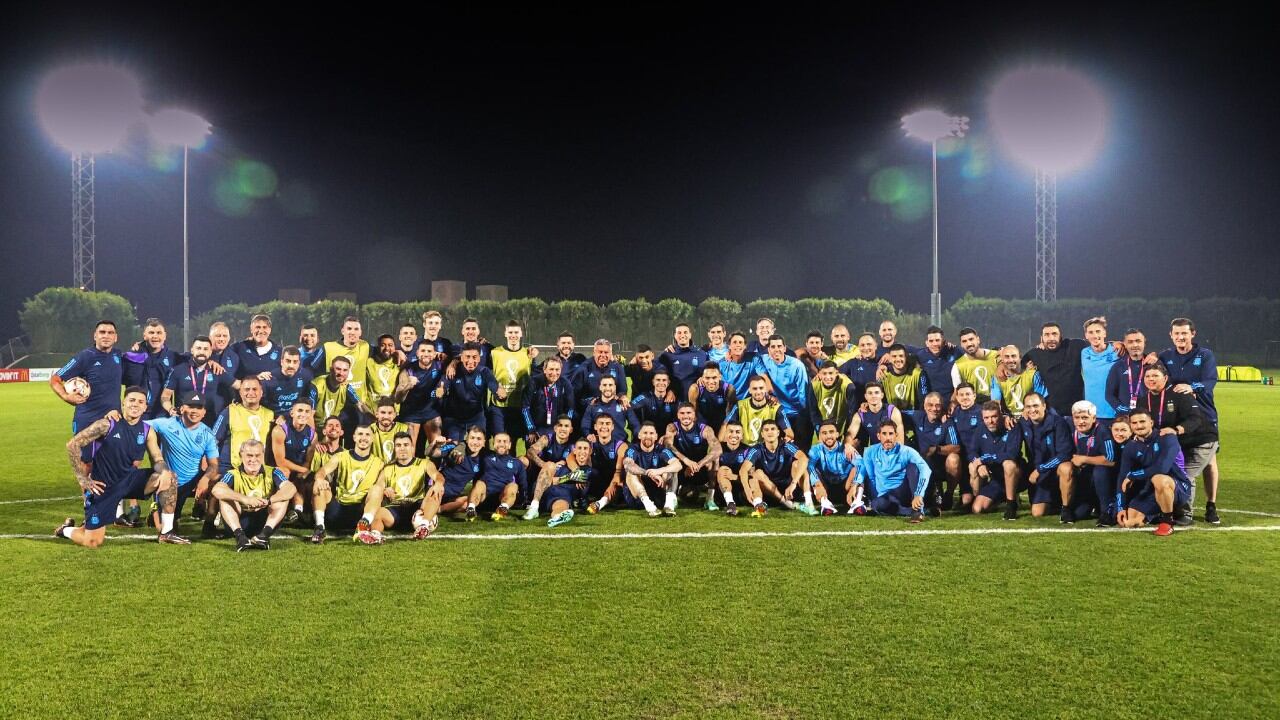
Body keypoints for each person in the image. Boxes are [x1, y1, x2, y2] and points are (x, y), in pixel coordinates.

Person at [55, 386, 180, 548]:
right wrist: (82, 478)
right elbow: (73, 445)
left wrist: (163, 471)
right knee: (92, 541)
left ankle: (166, 532)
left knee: (170, 477)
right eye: (132, 400)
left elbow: (157, 458)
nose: (135, 404)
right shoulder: (106, 424)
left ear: (145, 407)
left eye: (140, 402)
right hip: (104, 487)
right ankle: (65, 530)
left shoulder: (147, 431)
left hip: (129, 480)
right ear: (123, 403)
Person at [1134, 363, 1219, 525]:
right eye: (1147, 376)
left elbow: (1196, 419)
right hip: (1176, 445)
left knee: (1185, 474)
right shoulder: (1144, 400)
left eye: (1155, 376)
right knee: (1167, 474)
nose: (1151, 379)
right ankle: (1166, 508)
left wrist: (1177, 429)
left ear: (1165, 378)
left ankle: (1185, 513)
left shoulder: (1179, 393)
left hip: (1200, 441)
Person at [1158, 317, 1221, 524]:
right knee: (1183, 458)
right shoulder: (1165, 356)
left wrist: (1191, 388)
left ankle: (1211, 505)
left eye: (1184, 333)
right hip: (1179, 416)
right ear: (1171, 336)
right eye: (1177, 334)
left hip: (1204, 414)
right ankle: (1183, 506)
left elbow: (1210, 380)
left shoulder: (1205, 355)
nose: (1180, 337)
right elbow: (1157, 376)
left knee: (1209, 461)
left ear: (1193, 334)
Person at [148, 392, 222, 539]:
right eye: (190, 406)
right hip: (169, 483)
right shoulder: (166, 424)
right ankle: (156, 509)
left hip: (191, 483)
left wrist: (205, 479)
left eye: (199, 407)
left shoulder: (207, 434)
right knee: (168, 528)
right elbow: (139, 426)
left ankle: (209, 526)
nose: (194, 411)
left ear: (204, 412)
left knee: (218, 480)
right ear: (182, 409)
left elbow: (214, 464)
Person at [1115, 409, 1192, 536]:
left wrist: (1134, 475)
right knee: (1130, 521)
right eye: (1134, 423)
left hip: (1178, 486)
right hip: (1150, 488)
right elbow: (1122, 477)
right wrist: (1120, 507)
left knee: (1159, 478)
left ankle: (1167, 522)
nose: (1139, 426)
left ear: (1151, 422)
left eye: (1142, 421)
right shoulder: (1131, 446)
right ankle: (1156, 513)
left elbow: (1162, 469)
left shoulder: (1167, 438)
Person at [1022, 321, 1122, 417]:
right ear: (1041, 338)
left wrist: (1115, 344)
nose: (1051, 338)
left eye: (1054, 334)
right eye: (1047, 335)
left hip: (1079, 410)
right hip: (1053, 412)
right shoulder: (1036, 353)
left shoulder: (1075, 346)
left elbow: (1096, 344)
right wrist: (1006, 371)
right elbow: (1017, 366)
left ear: (1061, 336)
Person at [210, 439, 294, 551]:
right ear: (241, 455)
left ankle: (263, 536)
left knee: (283, 497)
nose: (253, 459)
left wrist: (269, 501)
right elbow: (217, 490)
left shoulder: (273, 471)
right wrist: (246, 499)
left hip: (264, 522)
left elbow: (291, 488)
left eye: (257, 455)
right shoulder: (232, 474)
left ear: (263, 455)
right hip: (240, 522)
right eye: (249, 455)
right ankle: (240, 538)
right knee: (224, 498)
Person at [309, 424, 385, 544]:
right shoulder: (341, 456)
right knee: (319, 485)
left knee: (377, 489)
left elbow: (381, 486)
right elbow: (322, 471)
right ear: (354, 437)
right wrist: (320, 479)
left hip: (361, 512)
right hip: (338, 509)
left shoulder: (379, 463)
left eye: (367, 435)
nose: (363, 438)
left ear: (372, 438)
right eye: (360, 434)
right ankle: (319, 528)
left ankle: (363, 525)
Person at [52, 322, 124, 440]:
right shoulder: (85, 356)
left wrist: (139, 347)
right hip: (87, 420)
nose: (106, 336)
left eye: (110, 333)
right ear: (95, 336)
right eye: (102, 332)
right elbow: (55, 379)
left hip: (113, 419)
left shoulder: (118, 355)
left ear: (115, 337)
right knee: (83, 458)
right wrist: (65, 396)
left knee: (114, 458)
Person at [852, 420, 932, 521]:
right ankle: (912, 511)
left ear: (896, 435)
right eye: (884, 434)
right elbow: (870, 475)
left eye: (891, 434)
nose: (888, 438)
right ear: (878, 436)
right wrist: (855, 484)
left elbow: (926, 469)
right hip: (884, 495)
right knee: (877, 504)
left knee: (913, 467)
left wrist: (918, 494)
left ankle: (918, 511)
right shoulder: (870, 451)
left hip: (903, 492)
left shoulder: (907, 451)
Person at [369, 432, 442, 541]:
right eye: (398, 445)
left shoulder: (424, 463)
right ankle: (375, 535)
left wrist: (439, 483)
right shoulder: (387, 468)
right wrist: (384, 490)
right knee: (377, 513)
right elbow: (379, 485)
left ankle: (423, 526)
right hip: (396, 509)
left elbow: (438, 475)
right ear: (394, 448)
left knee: (435, 490)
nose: (402, 448)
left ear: (412, 447)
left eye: (406, 445)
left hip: (419, 508)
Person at [1017, 393, 1075, 523]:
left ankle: (1066, 508)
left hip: (1053, 471)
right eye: (1028, 407)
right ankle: (1056, 501)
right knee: (1037, 512)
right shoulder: (1023, 423)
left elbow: (1064, 454)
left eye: (1036, 405)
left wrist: (1040, 469)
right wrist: (1006, 418)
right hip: (1040, 475)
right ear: (1024, 409)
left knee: (1066, 468)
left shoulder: (1058, 422)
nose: (1032, 410)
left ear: (1044, 406)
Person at [966, 401, 1025, 518]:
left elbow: (1011, 454)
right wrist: (979, 465)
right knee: (978, 508)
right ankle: (995, 498)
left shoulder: (1012, 426)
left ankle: (1011, 505)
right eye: (986, 418)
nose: (990, 421)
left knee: (1009, 464)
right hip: (996, 479)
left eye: (994, 416)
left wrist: (984, 459)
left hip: (1017, 476)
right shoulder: (980, 429)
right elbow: (971, 452)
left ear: (1001, 415)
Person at [905, 392, 961, 513]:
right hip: (921, 465)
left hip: (941, 465)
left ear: (942, 407)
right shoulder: (917, 416)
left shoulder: (947, 422)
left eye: (937, 405)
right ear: (924, 406)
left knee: (954, 459)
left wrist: (937, 449)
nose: (934, 409)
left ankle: (949, 495)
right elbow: (896, 412)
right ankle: (927, 492)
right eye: (930, 405)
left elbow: (956, 447)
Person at [1066, 400, 1119, 526]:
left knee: (1100, 470)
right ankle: (1095, 505)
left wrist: (1084, 459)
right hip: (1085, 479)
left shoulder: (1103, 431)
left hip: (1104, 479)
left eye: (1085, 417)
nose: (1081, 421)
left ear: (1094, 418)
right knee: (1078, 514)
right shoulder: (1068, 426)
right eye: (1077, 418)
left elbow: (1111, 460)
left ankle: (1107, 510)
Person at [741, 420, 812, 513]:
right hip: (770, 490)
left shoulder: (786, 445)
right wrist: (747, 490)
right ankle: (776, 503)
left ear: (778, 432)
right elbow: (743, 470)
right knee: (756, 474)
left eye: (772, 429)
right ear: (762, 434)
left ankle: (809, 502)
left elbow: (804, 458)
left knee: (797, 464)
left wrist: (793, 484)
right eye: (766, 430)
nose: (770, 432)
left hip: (789, 489)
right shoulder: (757, 449)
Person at [438, 342, 504, 440]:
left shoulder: (484, 372)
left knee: (478, 446)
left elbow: (495, 387)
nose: (471, 361)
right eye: (467, 357)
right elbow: (442, 386)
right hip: (454, 419)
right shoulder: (452, 370)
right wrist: (440, 391)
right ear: (461, 357)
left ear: (479, 358)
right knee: (452, 449)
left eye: (474, 357)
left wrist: (501, 393)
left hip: (476, 417)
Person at [757, 335, 814, 449]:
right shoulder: (763, 359)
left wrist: (804, 418)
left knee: (800, 449)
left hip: (796, 413)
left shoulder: (797, 366)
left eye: (779, 346)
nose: (776, 349)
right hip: (776, 412)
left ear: (784, 348)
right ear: (768, 350)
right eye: (773, 346)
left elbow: (803, 395)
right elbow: (751, 358)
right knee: (777, 449)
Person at [162, 335, 233, 425]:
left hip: (209, 422)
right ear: (192, 350)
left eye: (205, 349)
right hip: (183, 421)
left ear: (210, 352)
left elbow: (239, 385)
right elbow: (165, 396)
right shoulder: (178, 370)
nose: (202, 352)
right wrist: (170, 409)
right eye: (198, 348)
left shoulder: (217, 370)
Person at [212, 376, 276, 472]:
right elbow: (213, 440)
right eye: (246, 389)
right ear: (240, 392)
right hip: (232, 468)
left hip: (260, 469)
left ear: (261, 392)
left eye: (255, 389)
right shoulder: (229, 411)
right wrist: (212, 466)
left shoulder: (270, 414)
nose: (251, 393)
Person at [665, 403, 722, 510]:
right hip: (681, 468)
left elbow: (718, 449)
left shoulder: (705, 429)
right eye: (682, 413)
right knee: (670, 461)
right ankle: (671, 499)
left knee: (715, 460)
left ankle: (710, 499)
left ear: (694, 415)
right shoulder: (672, 427)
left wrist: (698, 465)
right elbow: (668, 445)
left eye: (689, 413)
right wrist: (686, 461)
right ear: (677, 415)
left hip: (699, 468)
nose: (685, 416)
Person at [122, 317, 181, 420]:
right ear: (144, 336)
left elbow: (196, 359)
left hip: (162, 415)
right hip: (136, 414)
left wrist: (211, 361)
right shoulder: (132, 356)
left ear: (165, 336)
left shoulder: (173, 357)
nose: (155, 336)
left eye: (159, 333)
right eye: (151, 332)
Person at [522, 415, 580, 520]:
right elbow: (530, 451)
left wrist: (575, 475)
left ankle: (558, 515)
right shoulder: (547, 438)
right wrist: (544, 464)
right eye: (560, 425)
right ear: (555, 428)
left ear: (571, 430)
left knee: (561, 502)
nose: (563, 428)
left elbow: (578, 467)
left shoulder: (574, 446)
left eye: (566, 426)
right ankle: (531, 505)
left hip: (560, 483)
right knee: (526, 461)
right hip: (540, 482)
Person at [269, 399, 316, 524]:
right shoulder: (280, 430)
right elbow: (280, 461)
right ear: (292, 413)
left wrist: (304, 471)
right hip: (282, 467)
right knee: (284, 473)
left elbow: (308, 460)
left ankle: (299, 512)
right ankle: (274, 510)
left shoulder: (312, 434)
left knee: (311, 480)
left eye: (307, 411)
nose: (303, 414)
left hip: (299, 467)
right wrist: (303, 470)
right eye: (300, 410)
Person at [621, 423, 683, 517]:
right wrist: (648, 473)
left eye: (651, 433)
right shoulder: (633, 449)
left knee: (672, 469)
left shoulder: (661, 450)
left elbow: (678, 465)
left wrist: (659, 471)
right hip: (638, 498)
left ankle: (669, 506)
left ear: (656, 436)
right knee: (630, 473)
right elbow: (627, 465)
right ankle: (649, 506)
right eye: (645, 433)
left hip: (658, 496)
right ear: (639, 435)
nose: (648, 436)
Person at [490, 320, 538, 438]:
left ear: (521, 334)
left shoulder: (528, 353)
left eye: (516, 332)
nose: (513, 335)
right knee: (499, 439)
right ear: (505, 334)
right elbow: (485, 374)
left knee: (514, 442)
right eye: (510, 332)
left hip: (519, 405)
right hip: (499, 405)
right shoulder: (495, 353)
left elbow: (534, 375)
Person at [540, 439, 603, 527]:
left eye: (585, 448)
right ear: (574, 451)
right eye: (579, 448)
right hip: (555, 491)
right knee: (562, 500)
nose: (582, 451)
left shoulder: (591, 472)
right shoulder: (562, 466)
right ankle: (557, 517)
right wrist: (568, 477)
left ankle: (558, 517)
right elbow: (545, 482)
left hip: (567, 496)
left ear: (590, 451)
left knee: (564, 498)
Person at [395, 341, 446, 450]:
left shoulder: (440, 365)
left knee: (437, 449)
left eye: (429, 351)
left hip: (431, 412)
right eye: (423, 351)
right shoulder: (408, 370)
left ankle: (435, 467)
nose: (426, 354)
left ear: (434, 354)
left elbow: (454, 361)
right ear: (417, 353)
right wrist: (408, 385)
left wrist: (443, 389)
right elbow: (398, 398)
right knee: (409, 450)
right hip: (410, 414)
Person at [466, 432, 527, 521]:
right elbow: (473, 445)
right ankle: (471, 509)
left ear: (510, 445)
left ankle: (502, 509)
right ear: (493, 444)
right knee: (479, 483)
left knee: (513, 485)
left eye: (505, 441)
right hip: (484, 497)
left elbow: (523, 485)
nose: (501, 444)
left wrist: (522, 501)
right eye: (498, 441)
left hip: (502, 497)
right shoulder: (485, 457)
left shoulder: (517, 463)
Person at [714, 420, 767, 516]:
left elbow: (751, 475)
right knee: (723, 470)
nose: (734, 435)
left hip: (744, 492)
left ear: (742, 435)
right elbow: (714, 473)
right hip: (723, 493)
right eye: (730, 431)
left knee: (753, 479)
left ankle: (758, 505)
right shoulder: (718, 448)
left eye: (737, 432)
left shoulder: (748, 450)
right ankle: (730, 505)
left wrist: (734, 477)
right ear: (725, 434)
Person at [806, 420, 860, 515]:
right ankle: (825, 503)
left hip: (846, 487)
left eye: (831, 432)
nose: (828, 436)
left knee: (857, 468)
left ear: (837, 434)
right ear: (820, 436)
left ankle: (857, 500)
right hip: (826, 488)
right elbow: (810, 466)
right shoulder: (815, 450)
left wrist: (854, 485)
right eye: (824, 433)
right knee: (808, 467)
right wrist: (817, 484)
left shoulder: (847, 449)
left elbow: (861, 465)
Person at [722, 375, 792, 446]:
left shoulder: (776, 407)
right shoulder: (740, 406)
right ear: (749, 390)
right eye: (755, 388)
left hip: (766, 449)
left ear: (765, 389)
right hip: (744, 449)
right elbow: (725, 426)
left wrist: (787, 439)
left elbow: (789, 433)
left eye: (761, 388)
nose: (758, 392)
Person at [312, 356, 373, 437]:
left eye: (345, 370)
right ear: (331, 369)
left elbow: (360, 405)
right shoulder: (317, 385)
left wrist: (374, 418)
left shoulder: (346, 386)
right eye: (338, 369)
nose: (341, 373)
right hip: (315, 430)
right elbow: (308, 415)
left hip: (332, 430)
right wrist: (313, 438)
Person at [435, 427, 487, 518]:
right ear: (466, 439)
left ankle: (439, 509)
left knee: (473, 501)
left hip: (453, 497)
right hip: (438, 490)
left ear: (484, 442)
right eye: (472, 438)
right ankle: (435, 508)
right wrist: (434, 445)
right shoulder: (455, 449)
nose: (475, 442)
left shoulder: (484, 458)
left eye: (479, 439)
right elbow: (430, 452)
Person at [584, 414, 630, 514]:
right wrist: (576, 470)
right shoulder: (589, 443)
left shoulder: (621, 445)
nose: (604, 426)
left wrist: (612, 485)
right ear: (595, 427)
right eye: (601, 423)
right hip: (598, 481)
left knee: (619, 482)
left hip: (614, 481)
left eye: (608, 424)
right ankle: (581, 498)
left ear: (612, 427)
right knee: (585, 471)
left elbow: (618, 472)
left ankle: (601, 503)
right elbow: (571, 456)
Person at [522, 356, 575, 441]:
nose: (554, 373)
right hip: (536, 429)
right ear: (544, 370)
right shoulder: (533, 383)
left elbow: (570, 408)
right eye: (551, 369)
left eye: (557, 370)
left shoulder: (565, 384)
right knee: (533, 452)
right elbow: (525, 408)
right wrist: (531, 429)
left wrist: (564, 427)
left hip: (556, 429)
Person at [1080, 317, 1120, 426]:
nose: (1094, 335)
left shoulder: (1117, 350)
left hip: (1114, 412)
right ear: (1086, 335)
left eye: (1098, 331)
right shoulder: (1084, 353)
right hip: (1092, 414)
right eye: (1090, 332)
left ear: (1104, 333)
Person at [990, 345, 1048, 420]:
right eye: (1007, 357)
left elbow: (1040, 400)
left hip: (1031, 418)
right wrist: (1004, 417)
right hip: (1011, 421)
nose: (1010, 360)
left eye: (1013, 356)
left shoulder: (1033, 375)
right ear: (1002, 360)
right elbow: (995, 404)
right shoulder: (997, 379)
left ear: (1020, 358)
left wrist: (1025, 415)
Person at [323, 317, 372, 402]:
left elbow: (384, 352)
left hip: (358, 402)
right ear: (342, 331)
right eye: (349, 329)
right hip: (335, 400)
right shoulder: (328, 348)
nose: (352, 332)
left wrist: (397, 352)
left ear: (360, 332)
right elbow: (312, 368)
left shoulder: (365, 346)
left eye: (356, 329)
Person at [573, 339, 629, 414]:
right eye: (600, 352)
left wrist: (622, 397)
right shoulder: (583, 368)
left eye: (606, 352)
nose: (603, 355)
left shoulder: (618, 367)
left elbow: (622, 391)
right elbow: (575, 395)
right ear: (594, 353)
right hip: (589, 412)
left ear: (610, 354)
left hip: (611, 411)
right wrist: (588, 402)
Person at [659, 323, 710, 398]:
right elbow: (658, 373)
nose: (682, 335)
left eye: (685, 332)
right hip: (674, 399)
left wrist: (704, 377)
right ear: (675, 336)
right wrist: (669, 389)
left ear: (690, 335)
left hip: (697, 399)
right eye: (679, 333)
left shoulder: (702, 354)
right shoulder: (667, 354)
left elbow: (710, 372)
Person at [1104, 328, 1147, 417]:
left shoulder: (1152, 364)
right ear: (1125, 345)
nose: (1135, 345)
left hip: (1147, 416)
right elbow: (1109, 395)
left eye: (1138, 341)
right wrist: (1124, 410)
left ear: (1144, 343)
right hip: (1124, 418)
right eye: (1130, 342)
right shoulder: (1118, 366)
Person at [850, 382, 904, 452]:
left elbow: (900, 437)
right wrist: (848, 445)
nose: (873, 396)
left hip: (891, 451)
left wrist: (894, 455)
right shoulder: (861, 414)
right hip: (874, 452)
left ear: (882, 395)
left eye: (876, 393)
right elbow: (850, 433)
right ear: (865, 396)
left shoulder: (892, 411)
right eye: (870, 393)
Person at [808, 361, 857, 438]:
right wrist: (819, 432)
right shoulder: (814, 385)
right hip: (823, 423)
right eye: (824, 373)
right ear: (819, 374)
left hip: (842, 421)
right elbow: (813, 411)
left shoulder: (848, 386)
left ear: (837, 373)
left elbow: (851, 412)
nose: (828, 377)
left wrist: (847, 434)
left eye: (831, 373)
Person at [262, 346, 315, 416]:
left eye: (295, 362)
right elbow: (262, 407)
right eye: (288, 361)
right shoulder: (269, 378)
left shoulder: (306, 377)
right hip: (275, 418)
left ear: (299, 363)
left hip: (296, 417)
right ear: (281, 362)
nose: (291, 365)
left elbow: (310, 403)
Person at [950, 327, 999, 403]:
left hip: (998, 407)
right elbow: (957, 391)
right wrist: (952, 404)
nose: (969, 344)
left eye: (971, 339)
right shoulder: (958, 366)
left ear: (978, 340)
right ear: (961, 344)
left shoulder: (997, 356)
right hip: (975, 408)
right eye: (964, 341)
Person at [229, 314, 282, 383]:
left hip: (271, 393)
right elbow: (222, 353)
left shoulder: (280, 352)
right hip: (246, 392)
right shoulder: (239, 348)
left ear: (270, 330)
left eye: (264, 327)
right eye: (258, 327)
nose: (261, 331)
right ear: (251, 330)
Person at [914, 326, 963, 399]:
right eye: (931, 341)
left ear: (943, 341)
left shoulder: (955, 351)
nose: (934, 344)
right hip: (932, 402)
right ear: (926, 343)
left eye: (937, 340)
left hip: (954, 400)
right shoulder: (920, 356)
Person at [688, 362, 737, 433]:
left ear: (720, 377)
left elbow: (729, 414)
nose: (711, 381)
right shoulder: (695, 389)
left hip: (721, 425)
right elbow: (693, 414)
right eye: (707, 378)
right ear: (702, 378)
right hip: (702, 426)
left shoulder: (729, 389)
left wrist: (724, 431)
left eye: (714, 378)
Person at [629, 370, 679, 436]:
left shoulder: (674, 399)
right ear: (653, 382)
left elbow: (682, 415)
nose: (661, 383)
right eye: (658, 380)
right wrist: (637, 427)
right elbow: (628, 407)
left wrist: (673, 427)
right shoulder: (645, 397)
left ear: (668, 383)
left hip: (667, 436)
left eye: (664, 380)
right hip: (648, 436)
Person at [881, 344, 929, 411]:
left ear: (906, 357)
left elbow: (924, 399)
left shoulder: (918, 374)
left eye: (901, 356)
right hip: (891, 418)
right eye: (894, 356)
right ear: (890, 359)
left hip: (914, 417)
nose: (898, 359)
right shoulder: (883, 375)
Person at [838, 333, 882, 404]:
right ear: (858, 347)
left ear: (876, 346)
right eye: (862, 345)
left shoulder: (883, 363)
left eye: (869, 344)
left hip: (879, 409)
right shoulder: (853, 363)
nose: (866, 348)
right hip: (856, 410)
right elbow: (834, 372)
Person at [364, 334, 402, 405]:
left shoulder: (399, 363)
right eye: (383, 345)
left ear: (395, 347)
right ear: (378, 347)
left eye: (390, 345)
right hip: (372, 411)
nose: (387, 348)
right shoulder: (369, 362)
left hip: (392, 412)